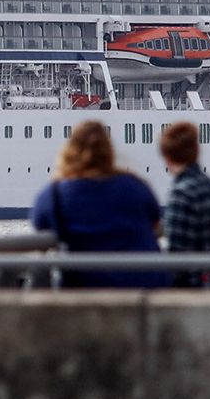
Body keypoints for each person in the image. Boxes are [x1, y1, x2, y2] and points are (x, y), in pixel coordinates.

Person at [30, 121, 167, 288]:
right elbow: (155, 219)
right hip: (143, 288)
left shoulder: (55, 196)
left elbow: (39, 224)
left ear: (69, 152)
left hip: (88, 289)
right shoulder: (136, 187)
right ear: (109, 151)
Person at [158, 120, 210, 286]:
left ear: (167, 156)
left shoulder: (181, 193)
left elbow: (176, 254)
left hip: (192, 286)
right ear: (196, 151)